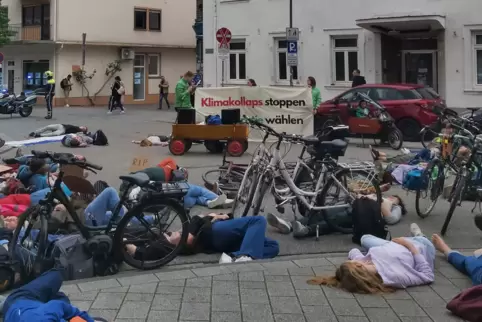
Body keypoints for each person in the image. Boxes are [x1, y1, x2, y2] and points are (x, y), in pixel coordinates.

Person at [307, 223, 435, 292]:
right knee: (366, 239)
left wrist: (355, 260)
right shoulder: (394, 276)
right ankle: (420, 235)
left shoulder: (364, 263)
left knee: (365, 238)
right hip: (421, 246)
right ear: (357, 266)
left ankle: (408, 238)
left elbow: (354, 251)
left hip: (391, 246)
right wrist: (410, 246)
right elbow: (427, 276)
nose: (354, 259)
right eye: (352, 262)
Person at [125, 213, 279, 264]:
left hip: (225, 243)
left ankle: (236, 256)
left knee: (274, 246)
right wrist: (134, 250)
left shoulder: (184, 236)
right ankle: (246, 256)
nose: (174, 232)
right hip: (215, 232)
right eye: (171, 235)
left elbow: (196, 219)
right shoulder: (172, 245)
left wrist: (215, 216)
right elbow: (149, 252)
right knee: (258, 220)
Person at [267, 194, 406, 238]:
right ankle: (289, 225)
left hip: (363, 215)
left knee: (336, 220)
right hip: (354, 205)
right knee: (323, 213)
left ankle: (306, 231)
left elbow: (390, 219)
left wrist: (386, 202)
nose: (391, 197)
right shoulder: (377, 194)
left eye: (394, 197)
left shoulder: (396, 207)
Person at [1, 269, 106, 322]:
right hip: (14, 314)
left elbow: (59, 305)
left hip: (20, 298)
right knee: (61, 298)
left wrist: (90, 320)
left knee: (56, 274)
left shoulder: (44, 317)